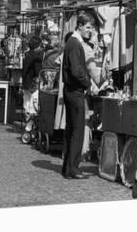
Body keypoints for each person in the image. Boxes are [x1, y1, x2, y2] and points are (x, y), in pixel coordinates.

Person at [61, 14, 93, 180]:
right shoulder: (74, 44)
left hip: (71, 91)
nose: (90, 31)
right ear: (79, 26)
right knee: (77, 130)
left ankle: (68, 167)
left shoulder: (72, 43)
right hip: (75, 92)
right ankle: (73, 168)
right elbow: (75, 70)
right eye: (87, 27)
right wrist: (87, 83)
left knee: (71, 129)